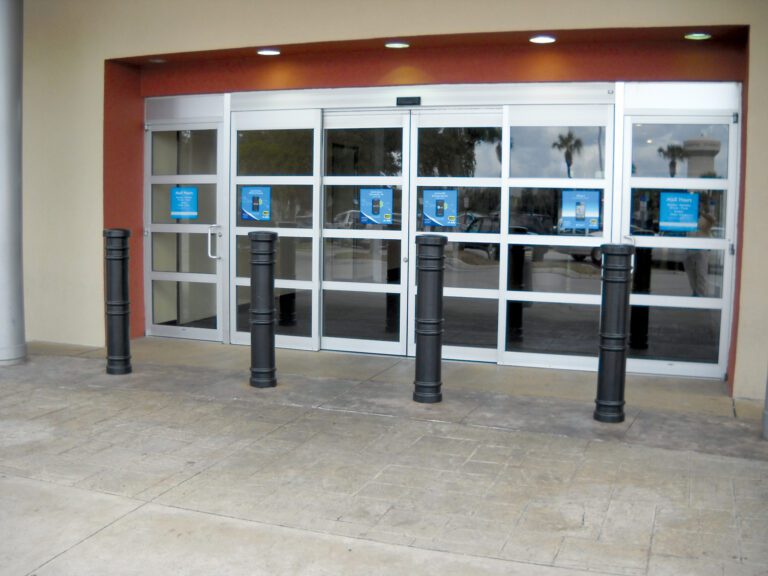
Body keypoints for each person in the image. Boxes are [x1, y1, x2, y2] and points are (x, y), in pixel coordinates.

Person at [684, 212, 716, 297]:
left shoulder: (706, 225)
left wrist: (703, 213)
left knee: (701, 274)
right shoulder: (690, 222)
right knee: (691, 274)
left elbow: (712, 221)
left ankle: (700, 294)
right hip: (690, 252)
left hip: (702, 252)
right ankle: (695, 292)